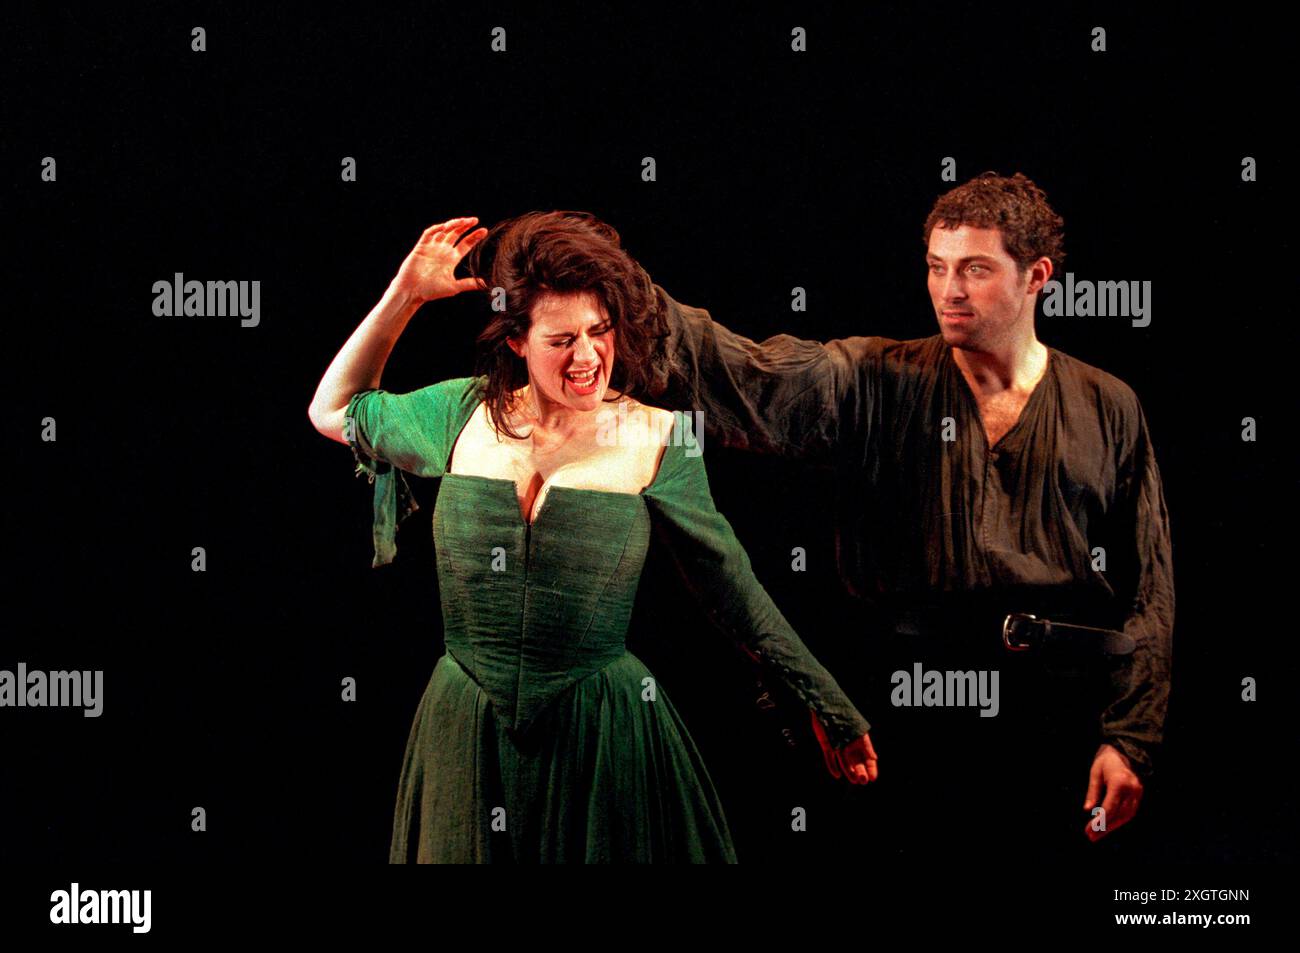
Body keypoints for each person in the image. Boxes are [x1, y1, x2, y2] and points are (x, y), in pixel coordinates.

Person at [307, 211, 877, 863]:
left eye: (599, 331)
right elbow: (331, 409)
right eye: (562, 339)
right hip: (465, 731)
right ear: (517, 340)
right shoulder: (460, 414)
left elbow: (732, 587)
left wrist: (826, 702)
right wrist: (404, 295)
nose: (588, 357)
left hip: (599, 736)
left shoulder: (658, 436)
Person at [642, 172, 1175, 861]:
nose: (949, 290)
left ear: (1037, 275)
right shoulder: (874, 377)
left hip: (1054, 716)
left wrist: (1130, 734)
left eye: (976, 270)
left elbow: (1149, 586)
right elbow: (743, 371)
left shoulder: (1109, 404)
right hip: (906, 708)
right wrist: (612, 288)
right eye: (937, 266)